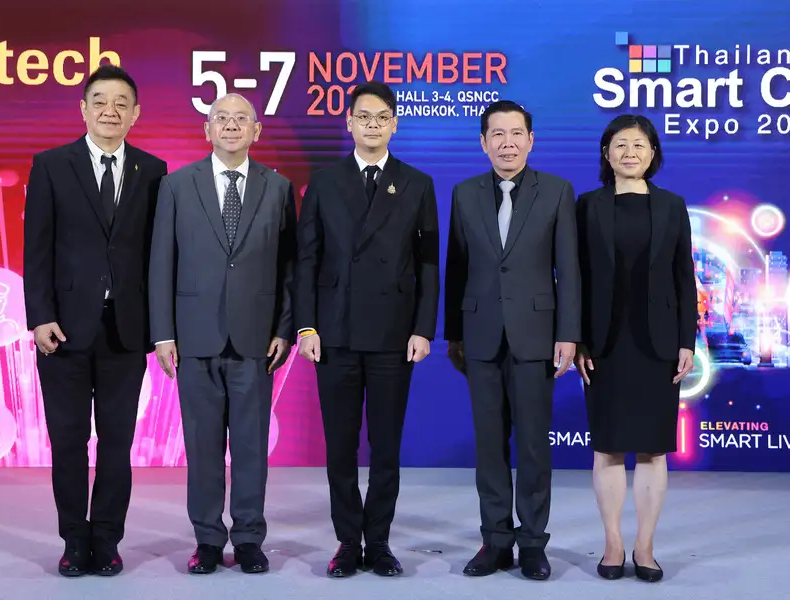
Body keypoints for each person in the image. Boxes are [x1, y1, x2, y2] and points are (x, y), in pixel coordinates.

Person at [23, 64, 168, 577]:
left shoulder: (153, 170)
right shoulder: (51, 165)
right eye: (100, 101)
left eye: (121, 103)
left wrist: (161, 327)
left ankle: (106, 539)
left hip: (126, 330)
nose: (111, 111)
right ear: (83, 109)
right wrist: (39, 316)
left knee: (117, 443)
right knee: (67, 442)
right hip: (63, 331)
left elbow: (157, 255)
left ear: (135, 113)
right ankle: (73, 540)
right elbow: (36, 248)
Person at [295, 80, 439, 578]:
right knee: (340, 445)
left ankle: (378, 541)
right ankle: (346, 540)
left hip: (393, 335)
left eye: (381, 117)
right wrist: (306, 326)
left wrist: (423, 328)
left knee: (385, 446)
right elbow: (307, 259)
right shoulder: (324, 182)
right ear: (349, 123)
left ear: (394, 124)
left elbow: (428, 263)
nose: (372, 125)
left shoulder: (417, 183)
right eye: (364, 117)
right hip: (333, 333)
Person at [148, 93, 296, 575]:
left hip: (256, 339)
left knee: (251, 447)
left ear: (256, 131)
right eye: (221, 119)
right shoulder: (176, 185)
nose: (231, 126)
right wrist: (163, 334)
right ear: (207, 130)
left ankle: (249, 538)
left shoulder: (278, 187)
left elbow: (288, 266)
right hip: (194, 337)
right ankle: (208, 539)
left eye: (241, 119)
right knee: (203, 446)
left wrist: (284, 328)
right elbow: (161, 263)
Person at [444, 100, 581, 580]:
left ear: (531, 140)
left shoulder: (557, 192)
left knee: (533, 447)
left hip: (536, 336)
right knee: (489, 446)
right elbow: (457, 268)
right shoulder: (464, 193)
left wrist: (568, 333)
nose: (507, 143)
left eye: (516, 133)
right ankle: (495, 541)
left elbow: (569, 269)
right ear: (483, 143)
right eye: (497, 135)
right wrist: (454, 334)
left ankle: (533, 543)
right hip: (479, 336)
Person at [574, 114, 697, 583]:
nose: (630, 152)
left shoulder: (672, 206)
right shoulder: (587, 205)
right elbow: (574, 277)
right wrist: (578, 338)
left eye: (639, 145)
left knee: (652, 451)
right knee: (606, 449)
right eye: (620, 144)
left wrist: (686, 340)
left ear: (653, 154)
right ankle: (612, 543)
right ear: (606, 154)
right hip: (603, 344)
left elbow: (684, 279)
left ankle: (645, 546)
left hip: (658, 343)